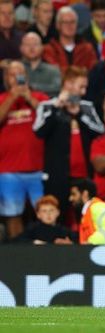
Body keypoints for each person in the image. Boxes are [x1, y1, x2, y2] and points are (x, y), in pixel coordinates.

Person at [33, 66, 105, 224]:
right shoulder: (47, 105)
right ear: (68, 84)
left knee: (85, 216)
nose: (84, 91)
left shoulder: (86, 107)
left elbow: (100, 130)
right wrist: (57, 107)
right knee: (57, 216)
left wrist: (78, 113)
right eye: (81, 86)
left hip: (83, 174)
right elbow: (38, 131)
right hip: (56, 174)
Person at [0, 60, 48, 240]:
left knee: (44, 213)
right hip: (8, 170)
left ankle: (41, 250)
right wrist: (13, 97)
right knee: (13, 214)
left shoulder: (39, 97)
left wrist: (29, 97)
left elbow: (49, 116)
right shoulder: (2, 99)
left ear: (26, 77)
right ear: (6, 79)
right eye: (12, 74)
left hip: (37, 168)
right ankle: (17, 254)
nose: (17, 78)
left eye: (20, 74)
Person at [69, 178, 105, 245]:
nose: (70, 198)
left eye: (74, 194)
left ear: (85, 194)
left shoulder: (98, 207)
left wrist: (90, 243)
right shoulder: (87, 213)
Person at [42, 6, 98, 71]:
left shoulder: (87, 49)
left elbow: (93, 71)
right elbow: (53, 74)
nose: (69, 25)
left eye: (72, 22)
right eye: (65, 22)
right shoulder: (49, 50)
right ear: (58, 25)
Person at [20, 32, 61, 97]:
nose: (32, 48)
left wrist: (31, 87)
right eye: (27, 44)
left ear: (42, 48)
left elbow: (57, 88)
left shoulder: (53, 70)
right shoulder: (16, 69)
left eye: (35, 44)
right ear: (21, 48)